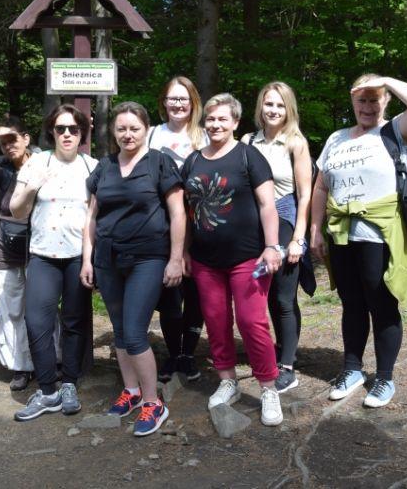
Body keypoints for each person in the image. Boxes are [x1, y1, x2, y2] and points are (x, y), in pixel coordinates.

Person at [310, 74, 407, 408]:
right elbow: (321, 186)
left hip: (380, 235)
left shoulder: (396, 131)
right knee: (351, 303)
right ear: (352, 102)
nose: (367, 106)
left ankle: (384, 378)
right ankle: (352, 370)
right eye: (361, 100)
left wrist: (386, 80)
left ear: (386, 100)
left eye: (374, 99)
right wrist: (315, 229)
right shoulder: (336, 138)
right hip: (342, 233)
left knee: (382, 304)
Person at [80, 101, 186, 436]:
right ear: (113, 131)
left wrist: (176, 258)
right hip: (108, 259)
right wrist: (87, 258)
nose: (128, 134)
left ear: (146, 129)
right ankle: (132, 390)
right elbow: (91, 217)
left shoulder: (159, 162)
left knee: (135, 331)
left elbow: (178, 213)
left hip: (147, 258)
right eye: (121, 129)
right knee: (120, 330)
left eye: (134, 128)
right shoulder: (105, 166)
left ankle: (154, 403)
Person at [181, 93, 284, 427]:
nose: (215, 124)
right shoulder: (193, 161)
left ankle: (268, 387)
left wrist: (272, 246)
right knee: (216, 320)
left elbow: (268, 205)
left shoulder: (248, 156)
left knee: (252, 322)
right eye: (210, 119)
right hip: (205, 261)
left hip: (248, 257)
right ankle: (228, 381)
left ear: (236, 122)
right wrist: (183, 252)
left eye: (222, 119)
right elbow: (186, 212)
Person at [8, 104, 97, 421]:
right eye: (61, 129)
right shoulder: (36, 162)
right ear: (51, 132)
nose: (67, 134)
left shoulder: (92, 167)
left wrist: (89, 260)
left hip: (77, 257)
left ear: (82, 132)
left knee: (74, 322)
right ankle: (48, 391)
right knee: (37, 322)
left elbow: (94, 218)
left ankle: (69, 384)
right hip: (43, 256)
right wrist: (32, 186)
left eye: (74, 129)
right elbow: (17, 211)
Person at [0, 116, 55, 392]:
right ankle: (21, 366)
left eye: (12, 139)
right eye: (3, 143)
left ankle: (53, 361)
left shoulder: (46, 164)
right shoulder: (2, 171)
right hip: (6, 248)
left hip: (40, 245)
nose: (8, 146)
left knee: (44, 308)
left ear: (26, 138)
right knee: (11, 309)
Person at [242, 82, 313, 394]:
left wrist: (298, 238)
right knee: (263, 294)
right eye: (269, 104)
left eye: (280, 105)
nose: (273, 110)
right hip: (253, 223)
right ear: (261, 106)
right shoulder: (247, 140)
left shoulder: (295, 142)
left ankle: (287, 366)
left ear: (289, 109)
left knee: (283, 297)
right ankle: (274, 348)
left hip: (285, 219)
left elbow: (305, 194)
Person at [146, 76, 209, 383]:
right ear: (164, 102)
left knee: (196, 291)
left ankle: (188, 353)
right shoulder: (151, 134)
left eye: (183, 98)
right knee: (170, 291)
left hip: (200, 223)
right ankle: (172, 353)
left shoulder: (205, 136)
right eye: (172, 98)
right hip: (161, 223)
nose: (178, 104)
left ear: (193, 102)